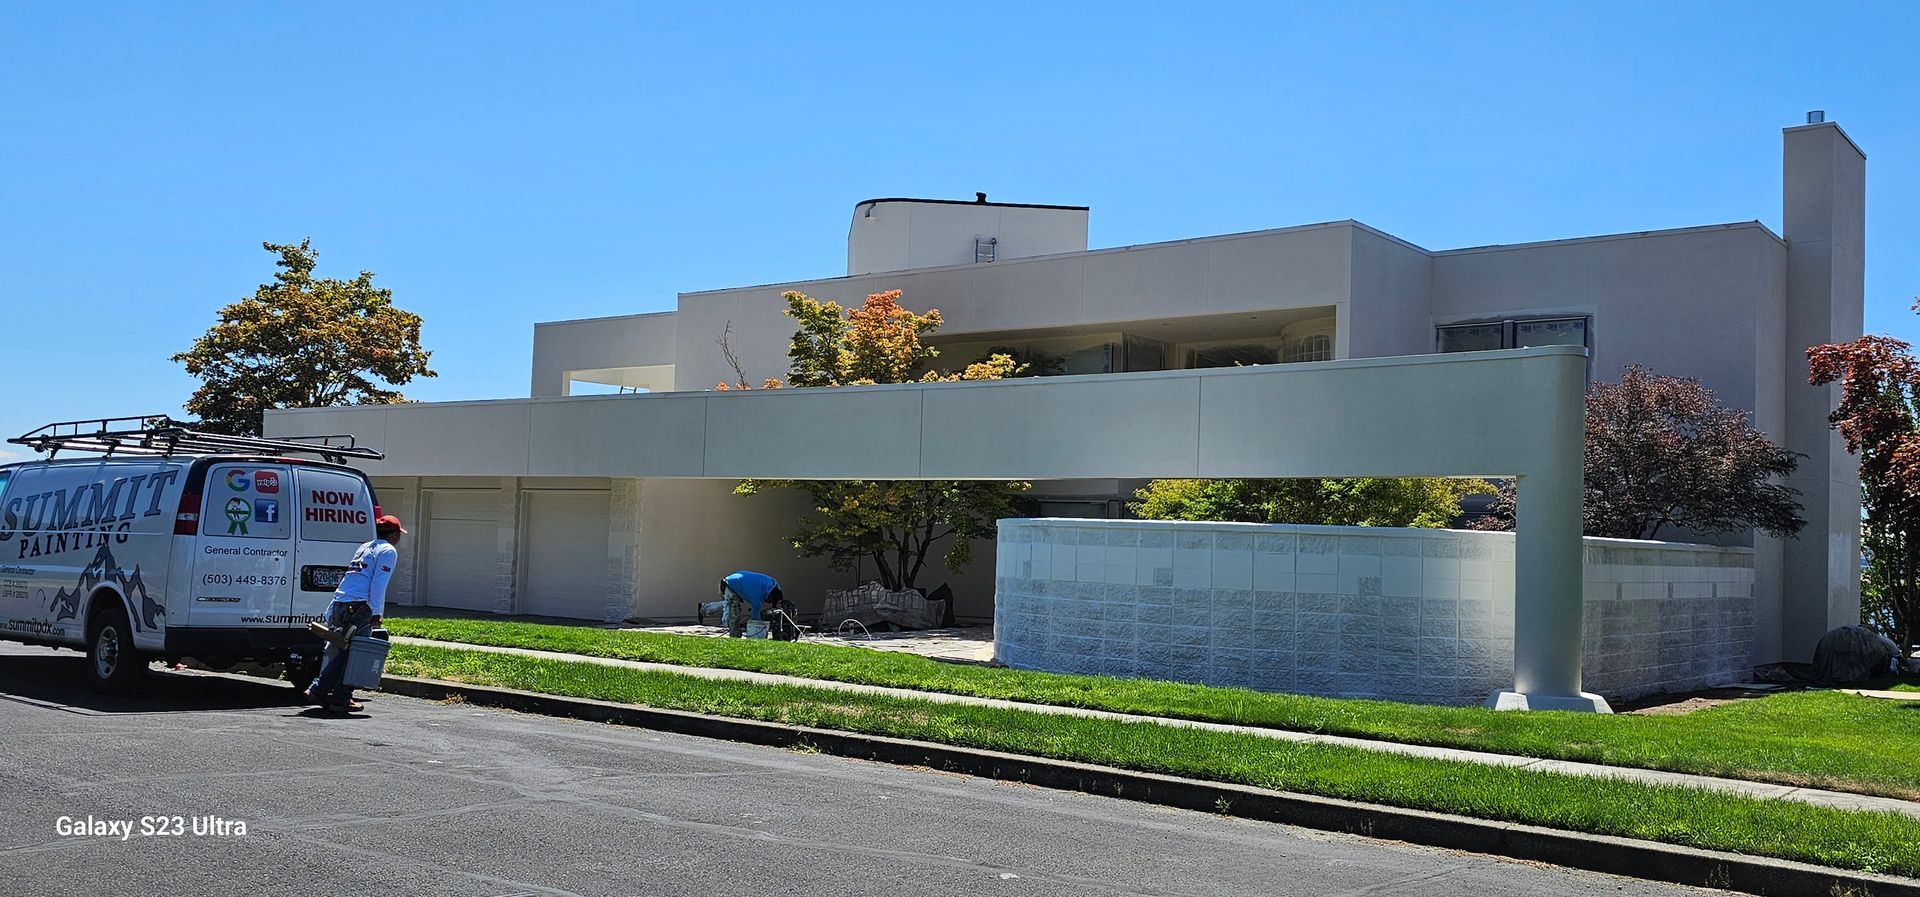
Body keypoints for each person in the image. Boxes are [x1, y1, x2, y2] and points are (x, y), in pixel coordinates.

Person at [305, 515, 405, 712]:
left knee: (344, 651)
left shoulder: (364, 547)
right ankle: (337, 696)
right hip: (359, 607)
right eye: (398, 534)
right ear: (393, 534)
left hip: (341, 602)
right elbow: (378, 583)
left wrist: (331, 609)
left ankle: (323, 690)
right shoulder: (387, 551)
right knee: (356, 655)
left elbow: (349, 576)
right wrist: (376, 612)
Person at [718, 570, 781, 638]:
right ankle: (734, 637)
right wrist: (759, 628)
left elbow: (777, 594)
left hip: (736, 579)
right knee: (735, 612)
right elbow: (755, 619)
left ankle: (705, 609)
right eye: (770, 601)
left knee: (729, 606)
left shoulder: (774, 583)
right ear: (770, 596)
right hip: (728, 585)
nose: (769, 603)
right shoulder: (757, 595)